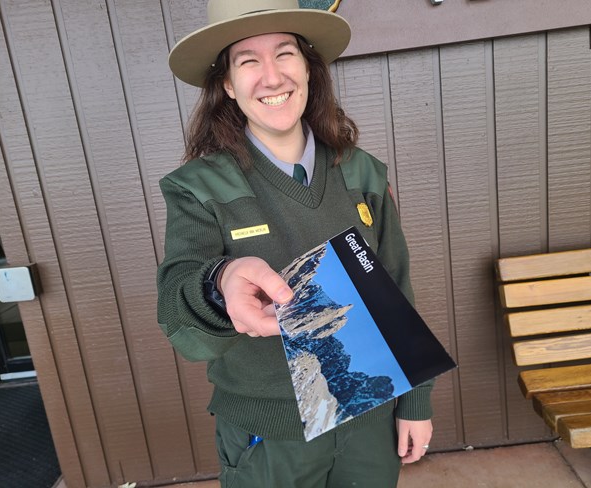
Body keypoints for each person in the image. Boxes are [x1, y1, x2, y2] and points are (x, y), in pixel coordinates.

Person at [157, 0, 434, 486]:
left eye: (284, 54)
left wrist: (415, 401)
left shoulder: (361, 172)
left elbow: (396, 288)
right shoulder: (198, 187)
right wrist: (218, 283)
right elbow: (179, 303)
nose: (271, 76)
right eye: (248, 61)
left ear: (307, 68)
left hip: (370, 411)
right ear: (227, 84)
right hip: (273, 431)